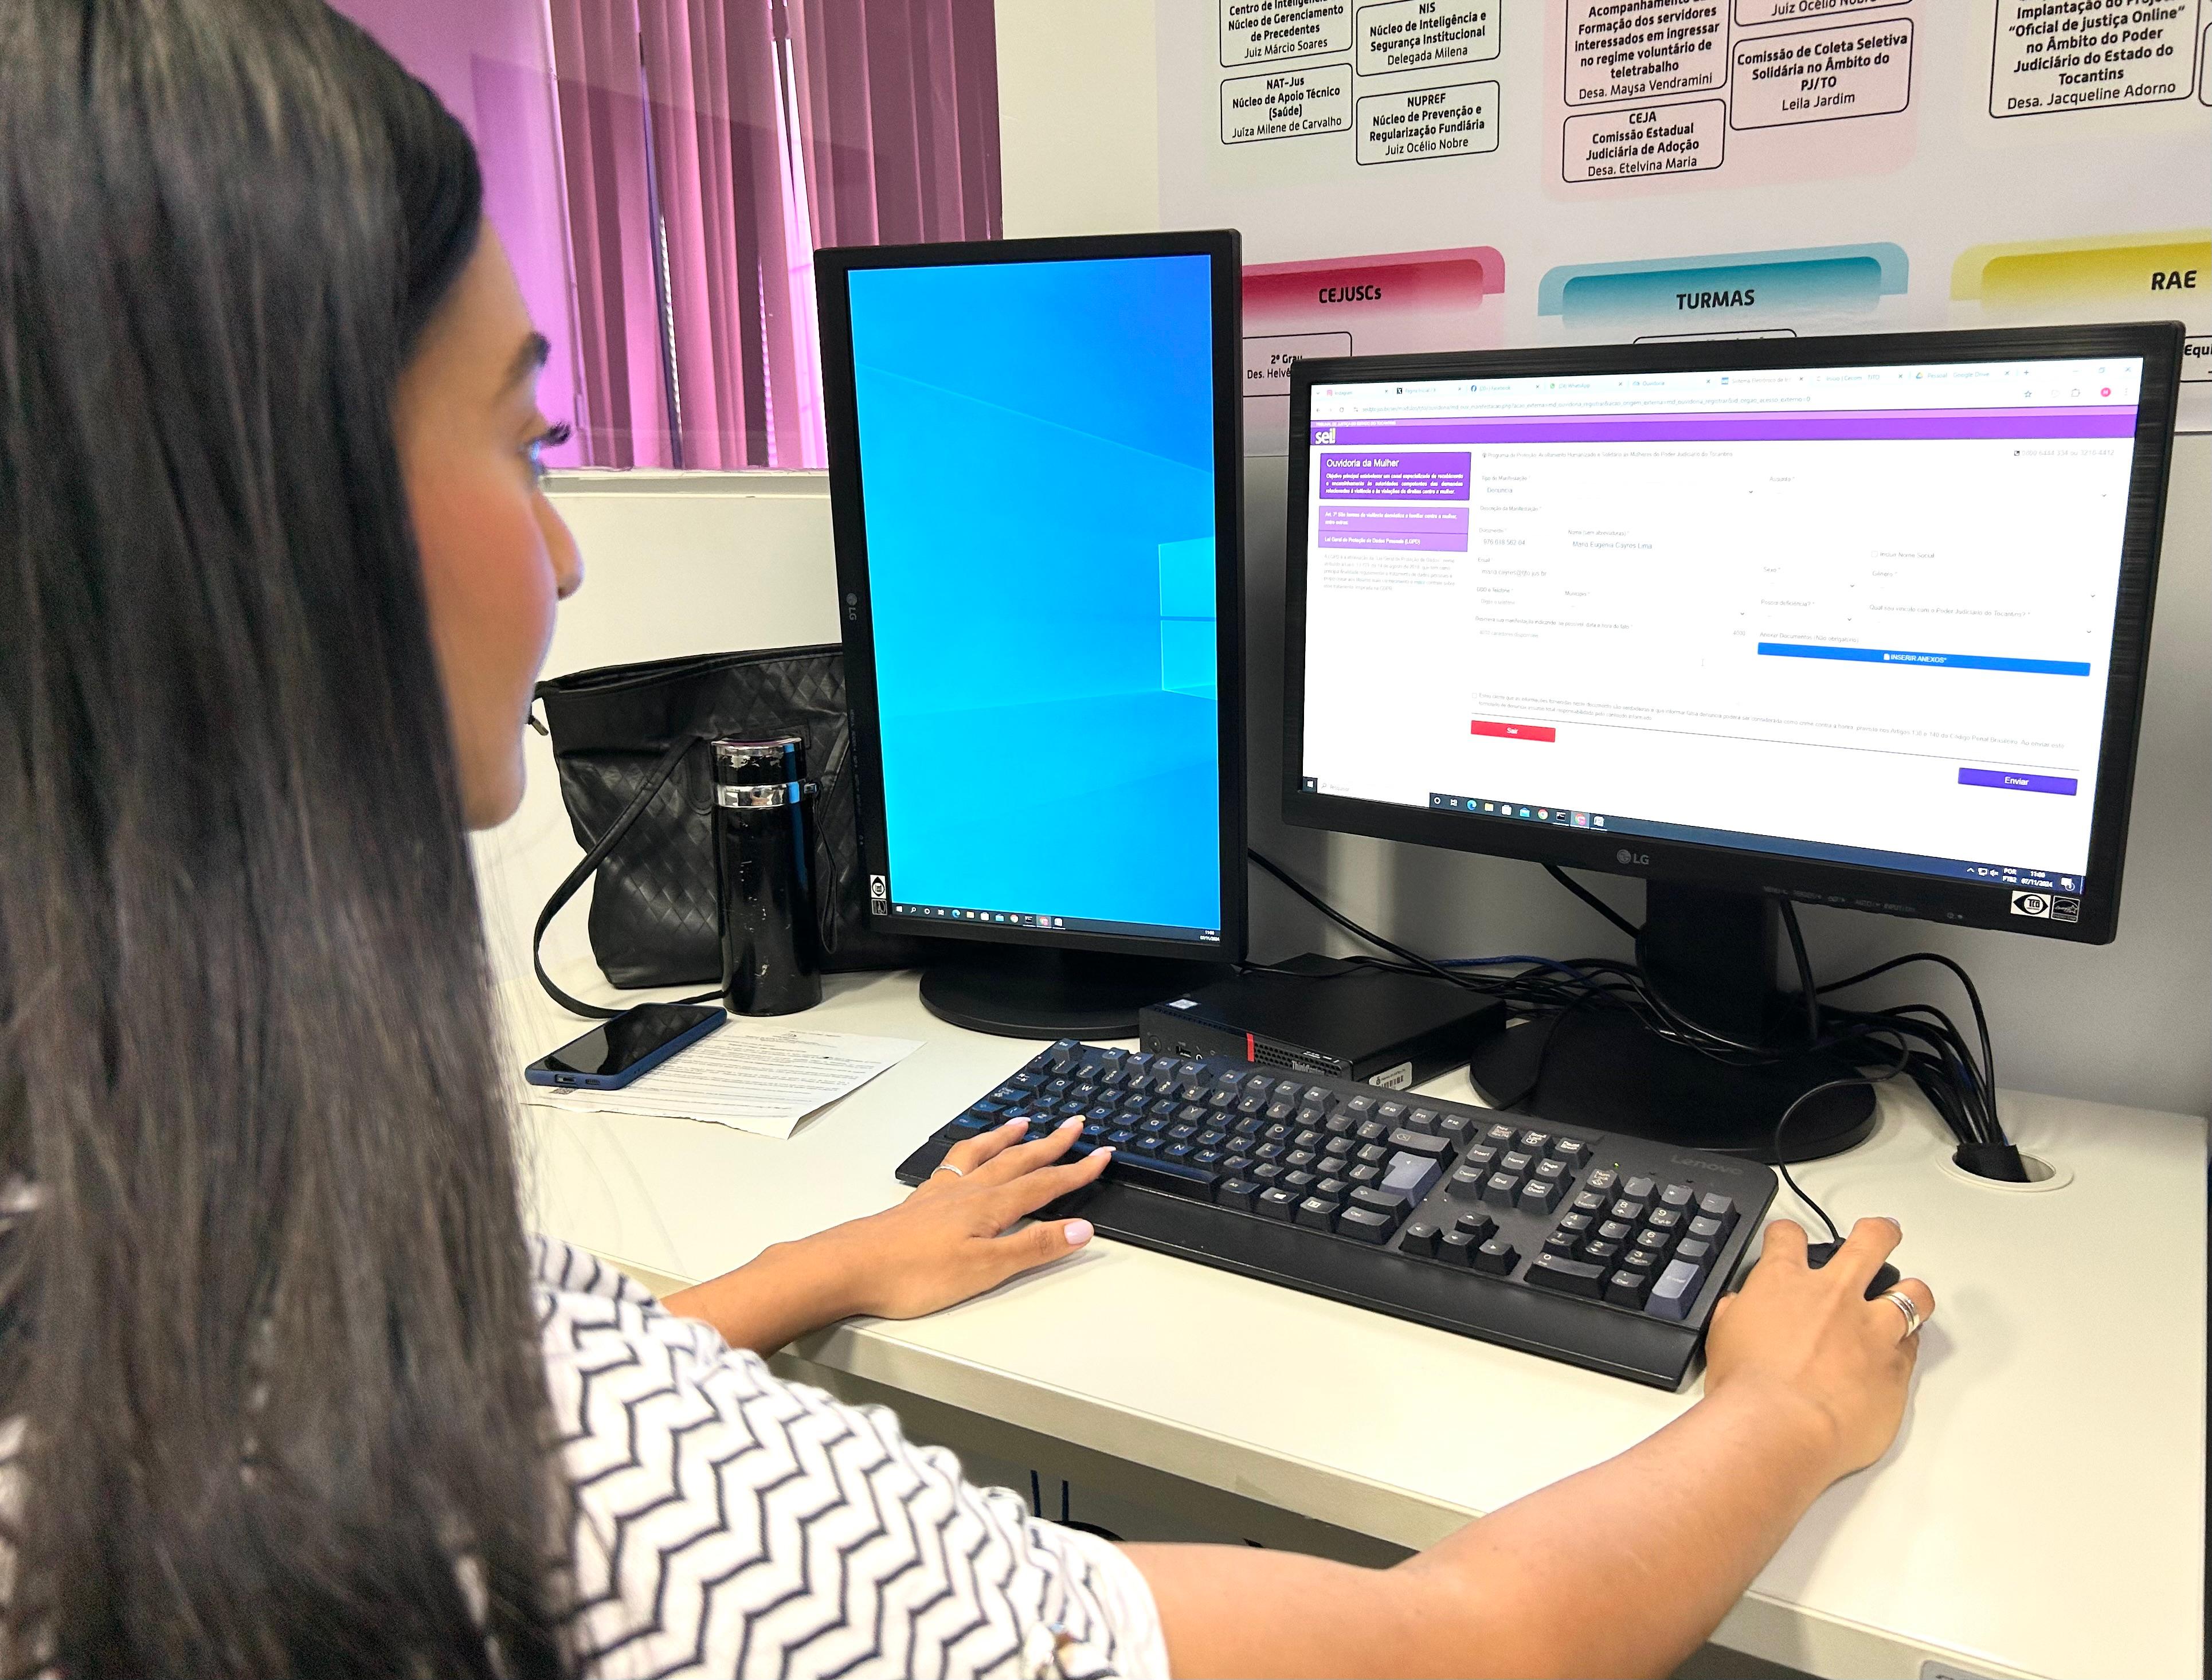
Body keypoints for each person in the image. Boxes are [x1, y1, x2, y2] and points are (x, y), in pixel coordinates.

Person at [0, 2, 1935, 1675]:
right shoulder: (610, 1530)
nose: (568, 549)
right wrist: (1777, 1411)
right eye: (525, 442)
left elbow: (440, 1382)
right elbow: (1454, 1646)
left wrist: (819, 1267)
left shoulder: (141, 1281)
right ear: (273, 540)